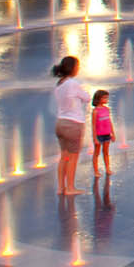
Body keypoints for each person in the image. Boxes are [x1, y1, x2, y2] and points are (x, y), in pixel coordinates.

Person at [52, 56, 88, 196]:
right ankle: (70, 188)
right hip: (73, 124)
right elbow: (86, 98)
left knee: (64, 157)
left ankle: (61, 188)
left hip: (60, 123)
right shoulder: (73, 83)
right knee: (73, 158)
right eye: (77, 66)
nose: (78, 69)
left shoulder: (59, 84)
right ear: (72, 68)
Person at [90, 89, 115, 180]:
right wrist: (94, 138)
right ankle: (96, 171)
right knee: (96, 153)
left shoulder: (107, 109)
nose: (106, 99)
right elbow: (93, 125)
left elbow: (109, 122)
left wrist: (113, 133)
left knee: (106, 152)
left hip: (107, 134)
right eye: (104, 97)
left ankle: (107, 168)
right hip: (99, 135)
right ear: (98, 99)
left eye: (107, 97)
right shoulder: (95, 111)